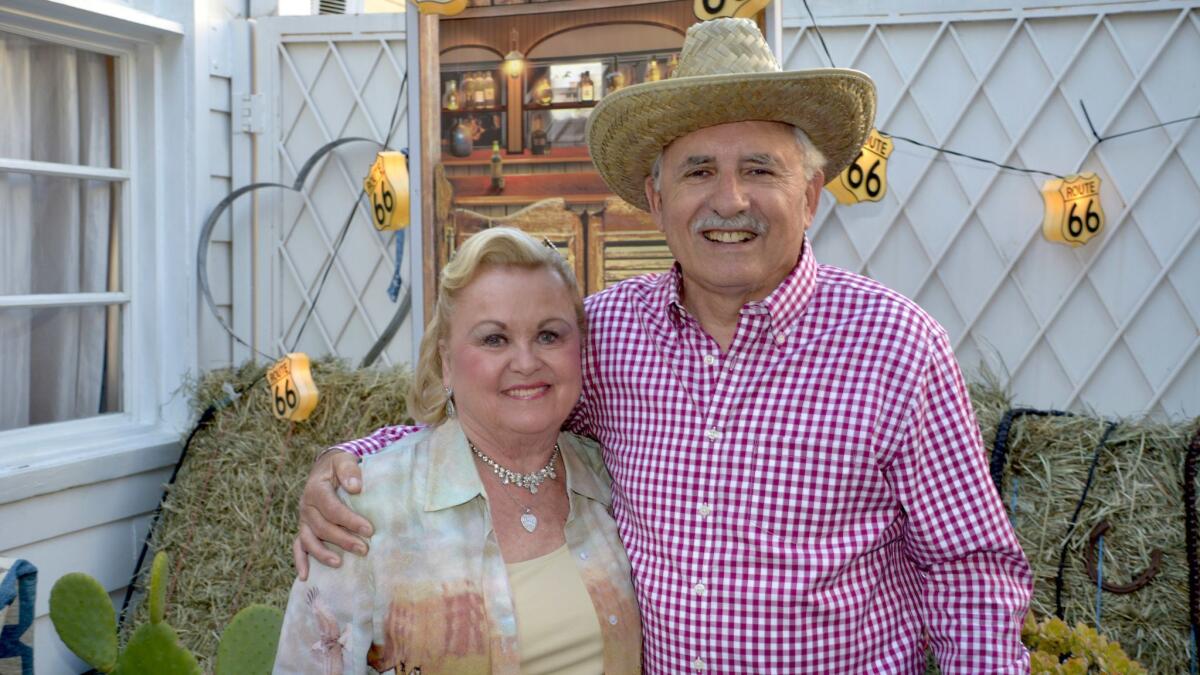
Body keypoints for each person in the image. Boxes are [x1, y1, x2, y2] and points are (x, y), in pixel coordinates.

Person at [296, 18, 1032, 673]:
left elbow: (971, 571)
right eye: (699, 171)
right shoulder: (609, 332)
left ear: (810, 196)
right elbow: (506, 415)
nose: (730, 199)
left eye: (760, 169)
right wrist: (357, 462)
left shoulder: (896, 347)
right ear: (656, 200)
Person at [274, 228, 642, 674]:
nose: (526, 362)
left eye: (548, 335)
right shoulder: (364, 511)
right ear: (446, 363)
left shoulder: (611, 479)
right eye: (494, 339)